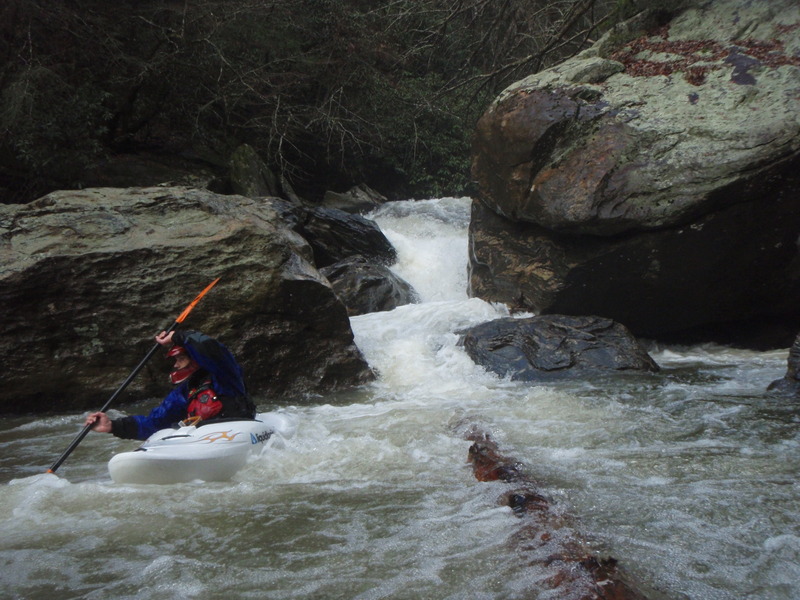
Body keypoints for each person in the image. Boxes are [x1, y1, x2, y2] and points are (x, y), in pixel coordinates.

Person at [85, 330, 256, 440]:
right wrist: (113, 426)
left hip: (237, 432)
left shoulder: (225, 376)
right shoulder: (185, 392)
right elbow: (155, 423)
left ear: (195, 358)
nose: (176, 365)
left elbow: (211, 349)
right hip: (205, 439)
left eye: (180, 359)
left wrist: (178, 337)